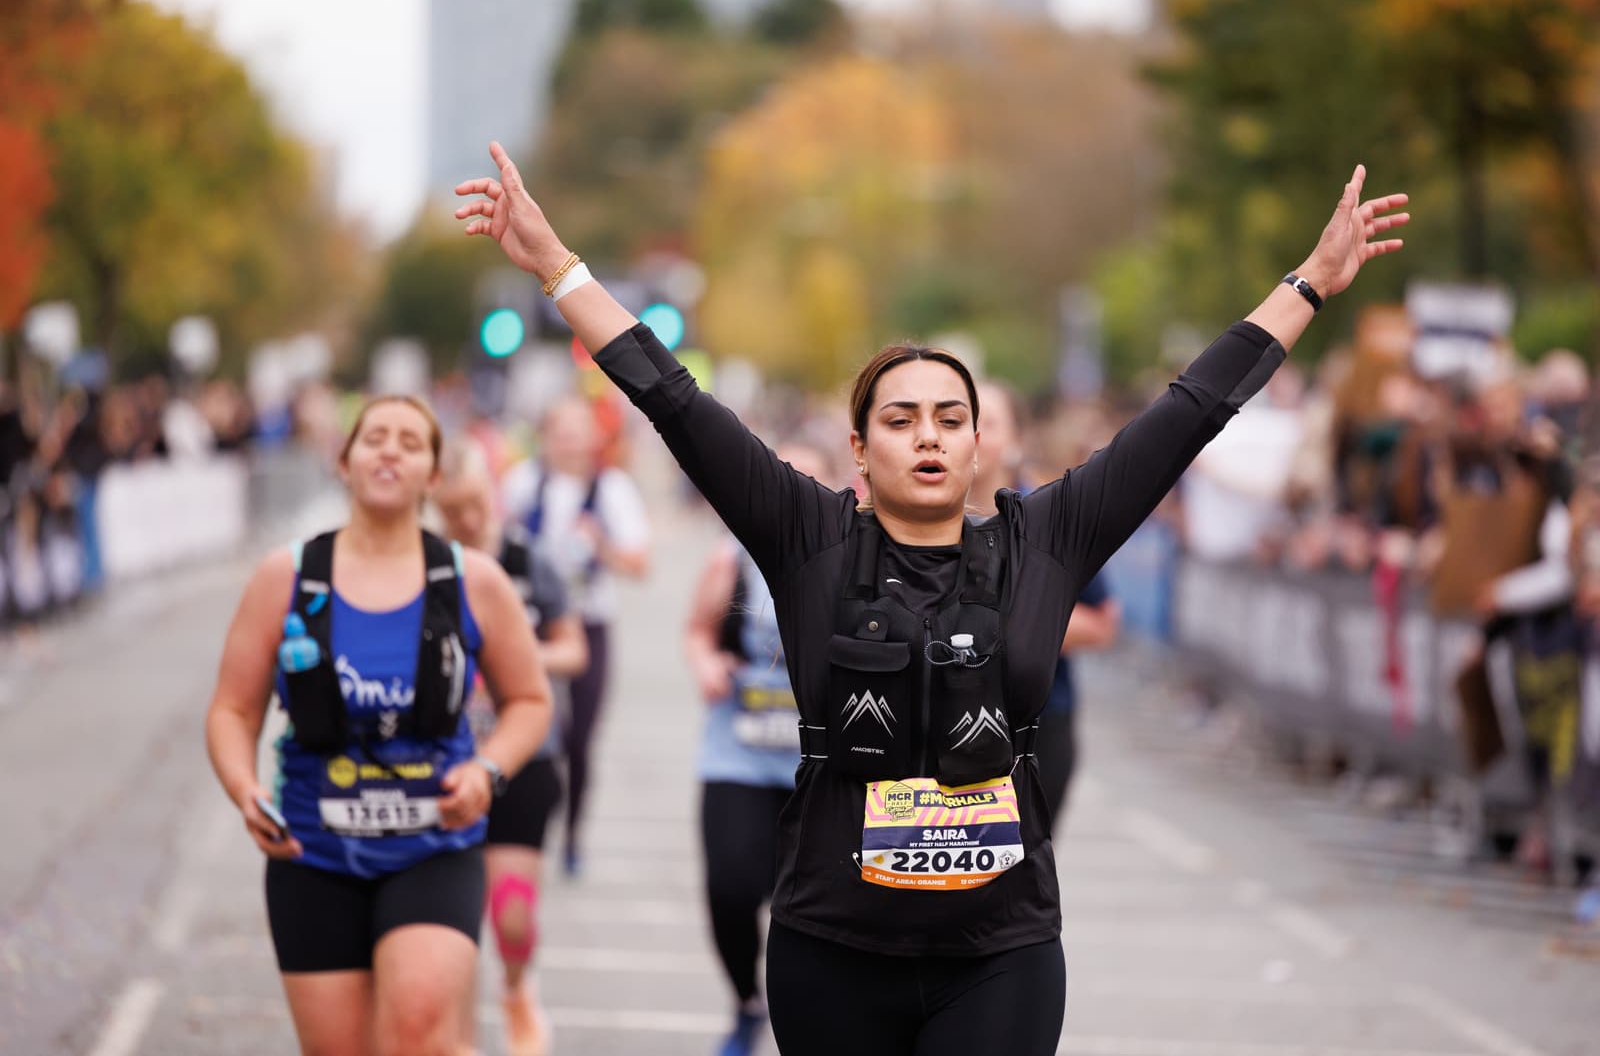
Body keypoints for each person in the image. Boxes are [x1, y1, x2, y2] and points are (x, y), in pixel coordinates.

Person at [457, 140, 1406, 1055]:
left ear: (979, 444)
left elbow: (1190, 412)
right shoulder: (808, 538)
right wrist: (553, 264)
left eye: (952, 419)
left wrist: (1308, 286)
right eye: (901, 419)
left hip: (1001, 951)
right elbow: (673, 399)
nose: (929, 436)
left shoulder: (1049, 540)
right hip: (832, 945)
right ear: (861, 450)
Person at [204, 395, 553, 1056]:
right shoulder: (288, 578)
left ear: (433, 476)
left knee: (416, 1031)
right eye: (374, 439)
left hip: (433, 847)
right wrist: (244, 789)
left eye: (410, 442)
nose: (390, 450)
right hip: (313, 851)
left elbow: (531, 701)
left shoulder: (471, 580)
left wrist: (487, 769)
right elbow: (233, 710)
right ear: (343, 462)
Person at [433, 438, 588, 1056]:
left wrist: (513, 664)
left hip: (527, 755)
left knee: (512, 916)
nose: (467, 521)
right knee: (452, 924)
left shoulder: (530, 560)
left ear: (492, 494)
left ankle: (518, 988)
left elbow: (573, 648)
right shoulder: (427, 566)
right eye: (452, 511)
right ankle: (459, 1036)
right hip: (446, 761)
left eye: (475, 505)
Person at [684, 438, 834, 1056]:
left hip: (822, 765)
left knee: (812, 909)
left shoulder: (847, 556)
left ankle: (808, 1019)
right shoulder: (734, 558)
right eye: (784, 474)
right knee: (730, 887)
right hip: (739, 748)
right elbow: (697, 631)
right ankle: (748, 999)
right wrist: (706, 664)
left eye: (807, 477)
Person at [501, 394, 651, 876]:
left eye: (577, 430)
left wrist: (601, 544)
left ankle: (572, 835)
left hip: (589, 620)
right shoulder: (523, 483)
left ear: (594, 438)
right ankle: (524, 826)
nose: (567, 440)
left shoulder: (613, 489)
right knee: (527, 726)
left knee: (579, 738)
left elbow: (639, 563)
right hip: (531, 622)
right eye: (559, 430)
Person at [972, 382, 1120, 829]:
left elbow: (1103, 624)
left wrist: (1010, 620)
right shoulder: (912, 515)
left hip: (1037, 726)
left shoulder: (1050, 519)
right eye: (957, 420)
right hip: (937, 726)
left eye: (988, 423)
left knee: (1020, 874)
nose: (972, 434)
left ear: (1016, 440)